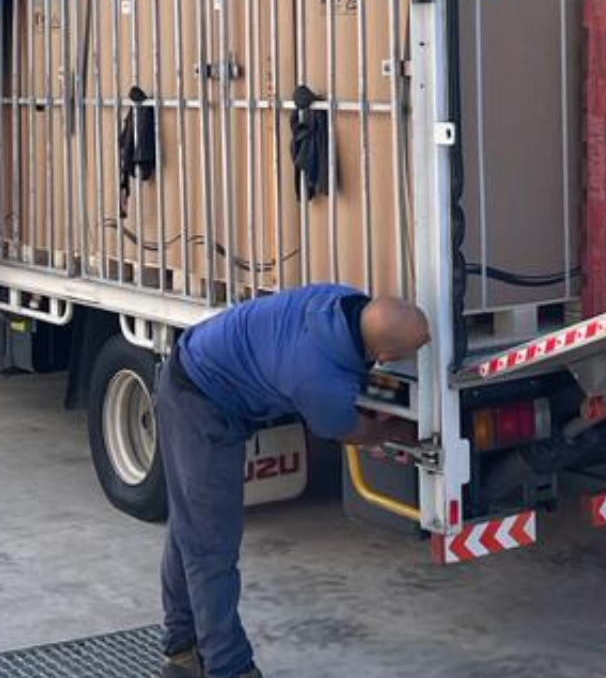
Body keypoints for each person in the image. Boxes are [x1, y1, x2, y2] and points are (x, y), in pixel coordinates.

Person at [157, 284, 430, 678]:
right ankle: (228, 666)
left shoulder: (342, 301)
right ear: (386, 355)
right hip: (199, 401)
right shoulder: (317, 381)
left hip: (199, 361)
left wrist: (389, 405)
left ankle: (181, 648)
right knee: (210, 543)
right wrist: (400, 431)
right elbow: (352, 430)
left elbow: (358, 379)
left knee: (192, 526)